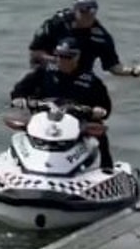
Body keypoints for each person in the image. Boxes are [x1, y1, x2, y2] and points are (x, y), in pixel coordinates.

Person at [11, 37, 115, 170]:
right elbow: (19, 90)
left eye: (68, 57)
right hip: (44, 120)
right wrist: (19, 98)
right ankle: (15, 164)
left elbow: (105, 108)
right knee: (21, 133)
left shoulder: (91, 81)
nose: (62, 60)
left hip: (77, 123)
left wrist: (98, 111)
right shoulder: (44, 72)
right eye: (59, 56)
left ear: (77, 57)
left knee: (100, 136)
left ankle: (107, 169)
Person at [28, 0, 140, 78]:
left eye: (92, 8)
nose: (88, 13)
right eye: (83, 8)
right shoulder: (57, 23)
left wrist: (132, 71)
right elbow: (35, 53)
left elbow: (113, 66)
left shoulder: (101, 37)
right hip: (48, 71)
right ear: (75, 9)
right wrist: (60, 62)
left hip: (80, 77)